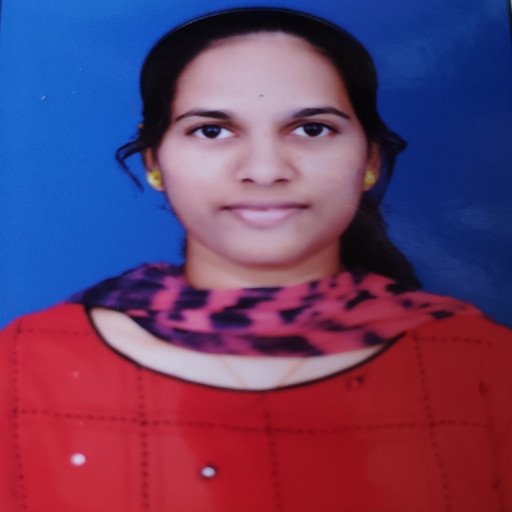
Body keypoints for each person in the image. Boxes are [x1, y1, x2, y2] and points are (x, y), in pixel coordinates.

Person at [1, 7, 511, 512]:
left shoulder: (481, 361)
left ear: (370, 161)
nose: (265, 171)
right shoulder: (30, 361)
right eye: (212, 130)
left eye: (312, 129)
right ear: (155, 161)